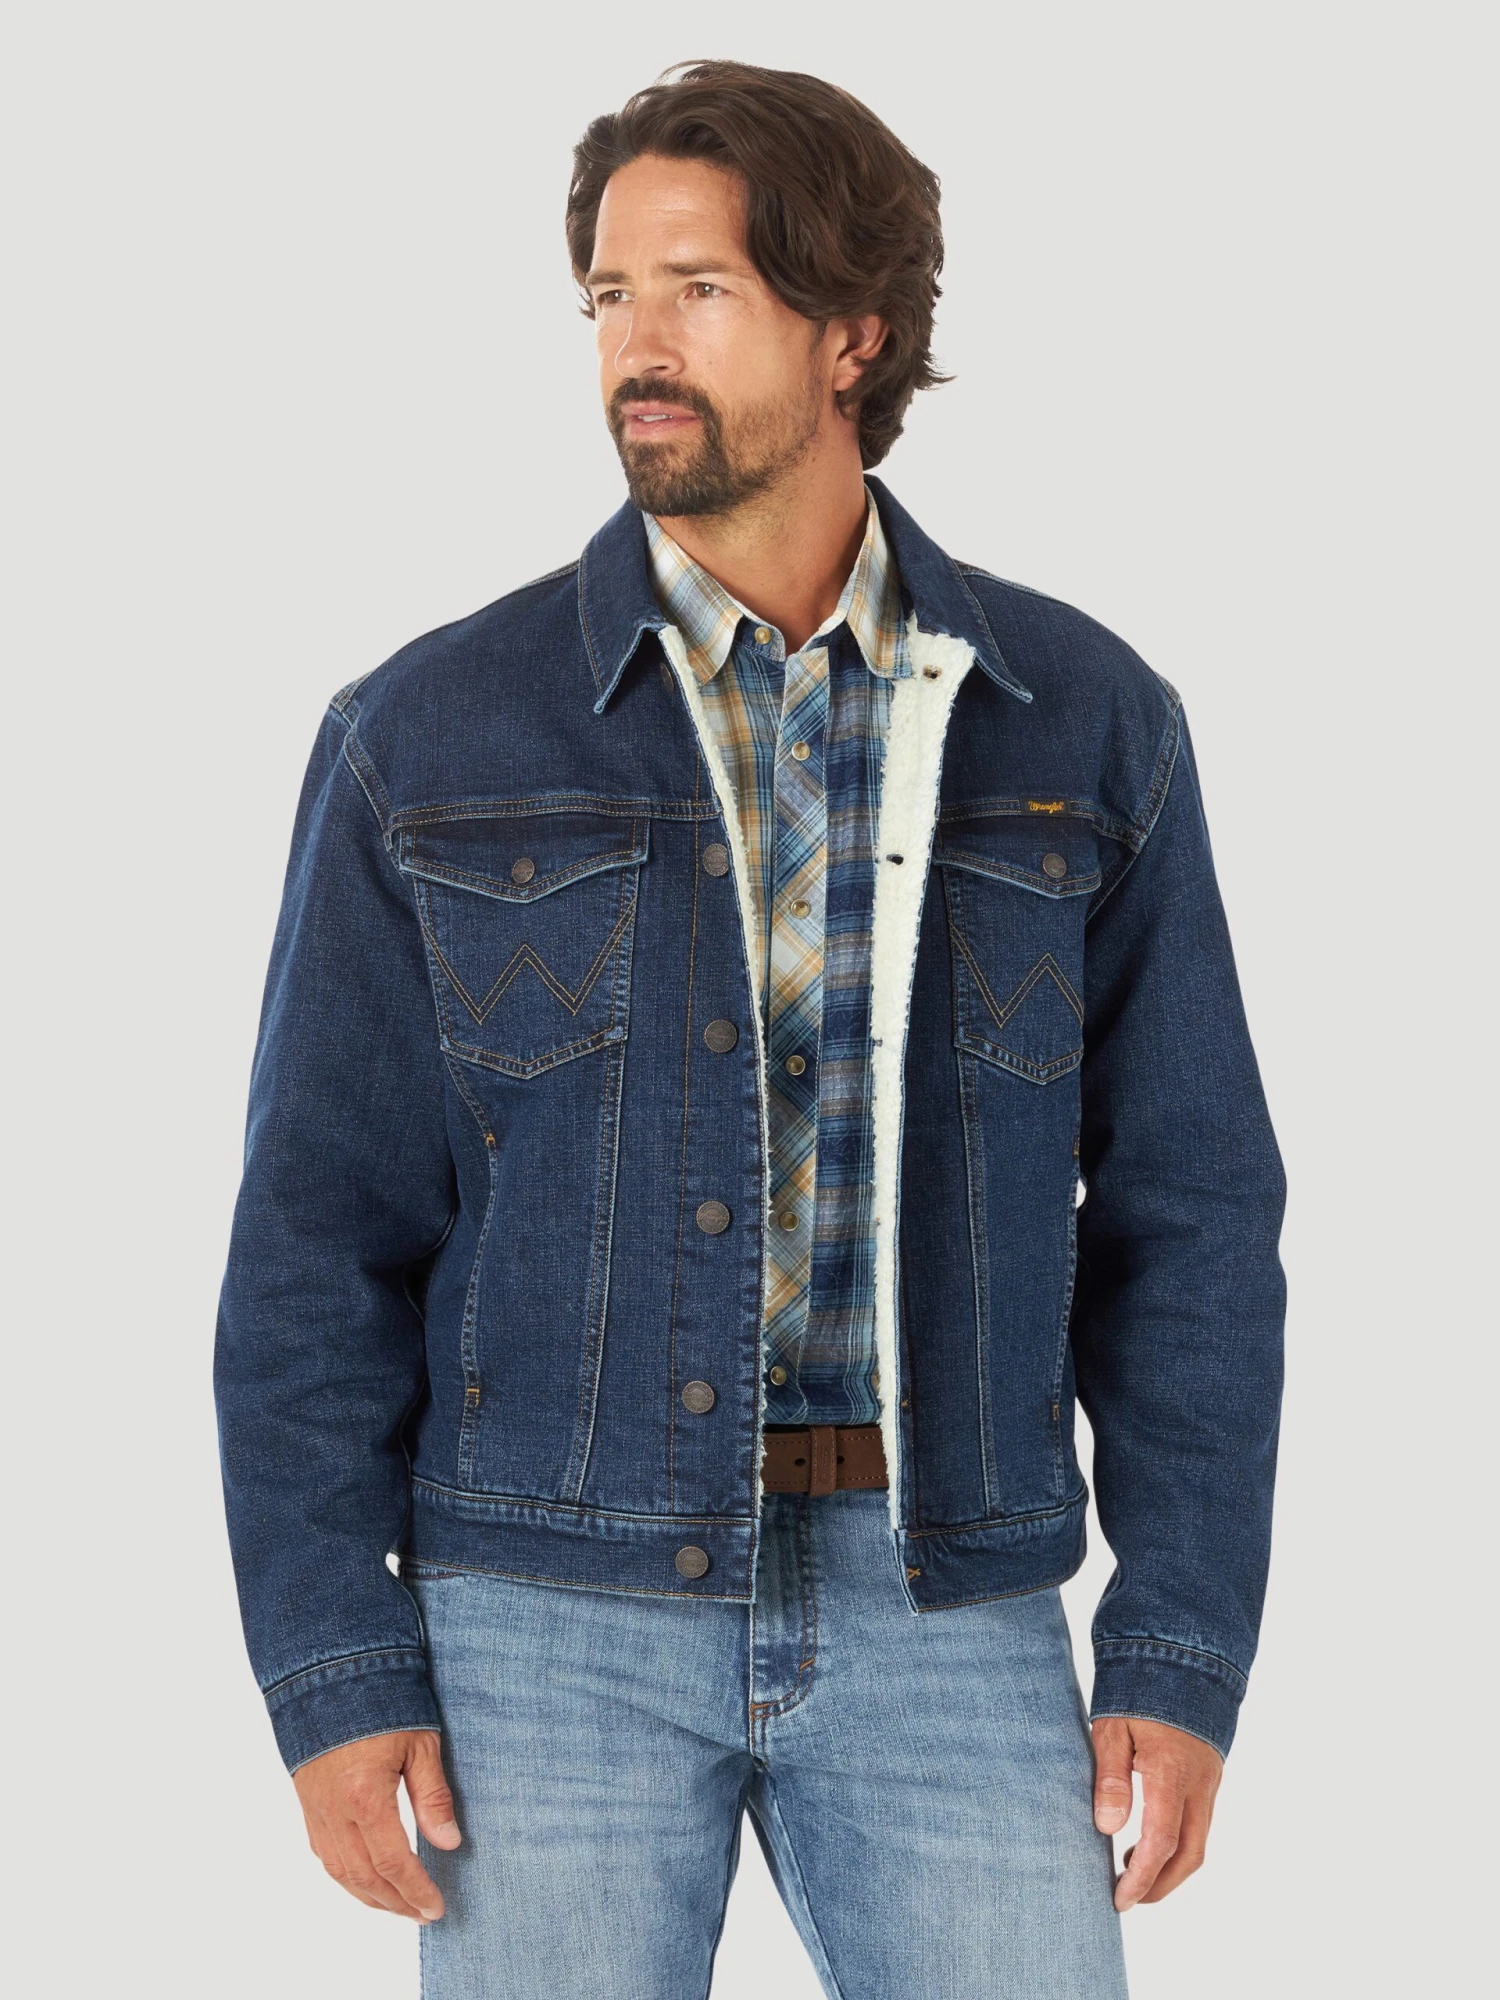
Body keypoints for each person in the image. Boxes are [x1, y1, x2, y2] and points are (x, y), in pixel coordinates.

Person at [215, 59, 1285, 1999]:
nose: (637, 345)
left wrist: (1182, 1638)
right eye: (609, 295)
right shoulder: (424, 741)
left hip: (946, 1599)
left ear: (851, 333)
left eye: (699, 291)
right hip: (543, 1611)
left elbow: (1192, 1217)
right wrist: (333, 1661)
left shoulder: (1082, 724)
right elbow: (314, 1240)